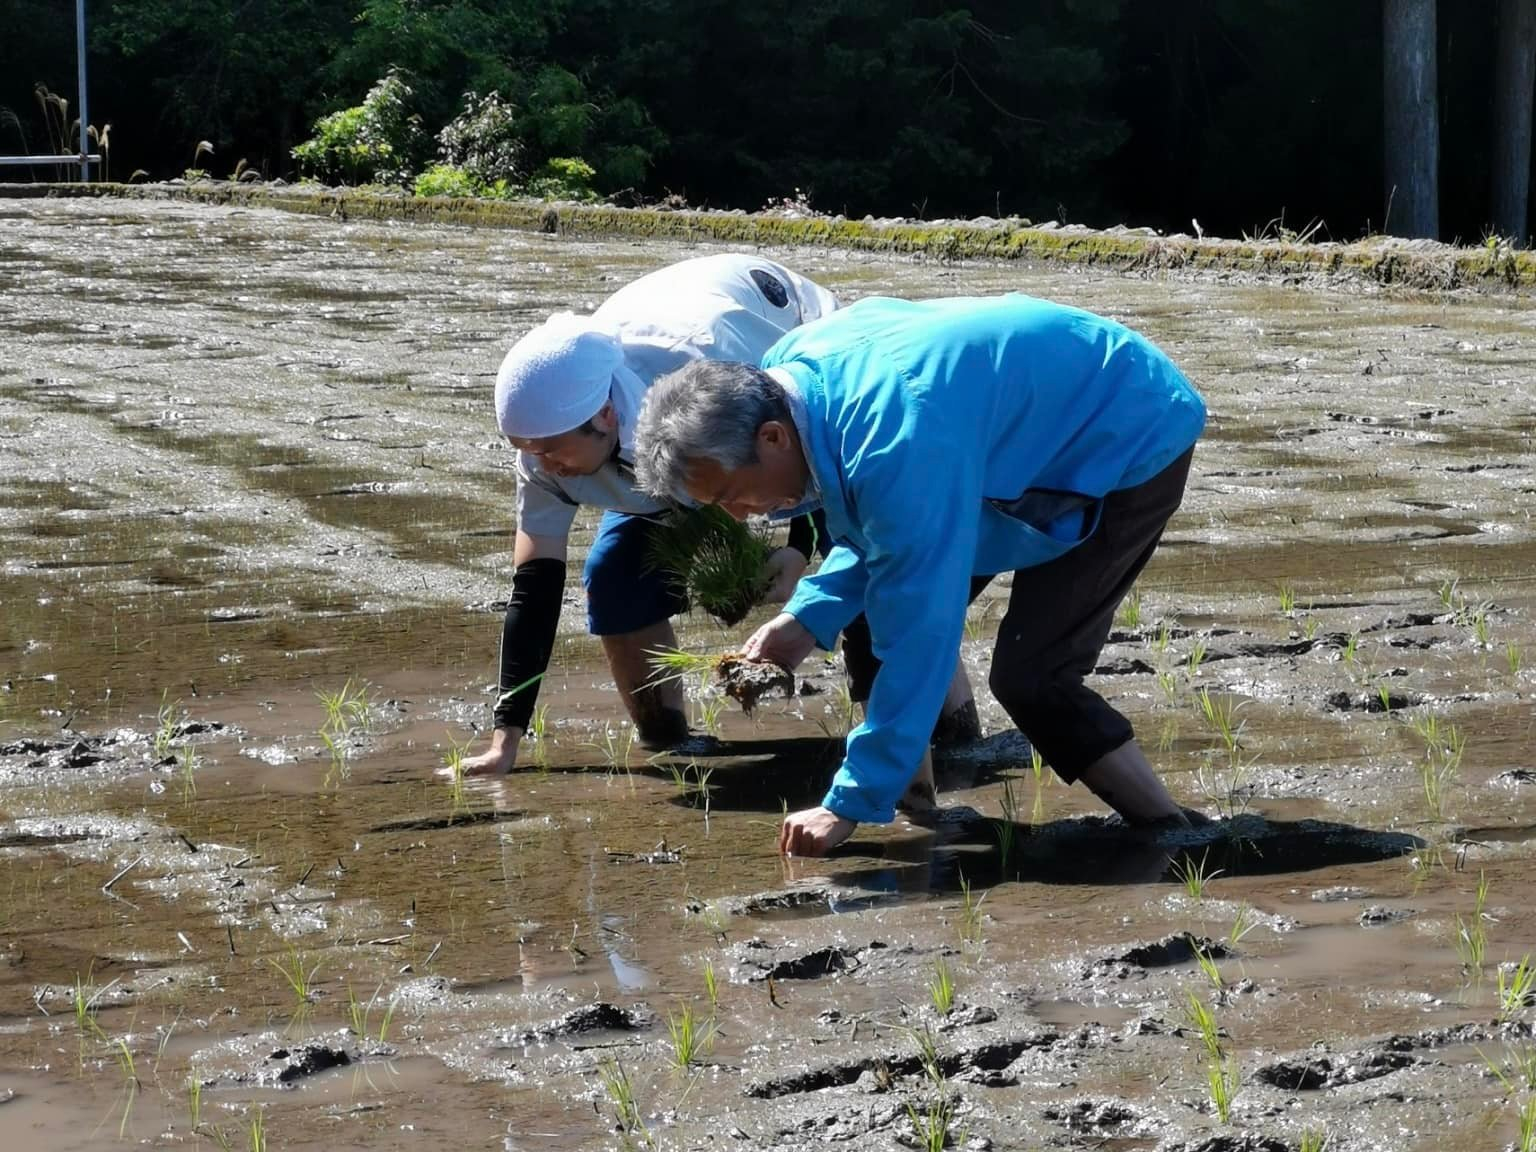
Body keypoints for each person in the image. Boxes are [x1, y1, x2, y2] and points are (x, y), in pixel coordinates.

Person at [631, 293, 1207, 855]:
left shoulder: (894, 442)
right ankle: (922, 810)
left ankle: (1174, 836)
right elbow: (874, 529)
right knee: (873, 624)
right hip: (1007, 431)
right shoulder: (791, 378)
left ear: (773, 437)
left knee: (1032, 676)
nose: (738, 514)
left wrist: (847, 804)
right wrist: (805, 619)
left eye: (732, 493)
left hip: (1127, 427)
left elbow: (920, 631)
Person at [463, 254, 978, 776]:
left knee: (880, 574)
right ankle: (670, 744)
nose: (541, 464)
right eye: (527, 450)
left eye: (551, 450)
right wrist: (506, 737)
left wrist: (798, 549)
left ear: (604, 413)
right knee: (615, 579)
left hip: (792, 368)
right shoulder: (547, 438)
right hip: (684, 448)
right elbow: (534, 588)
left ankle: (952, 744)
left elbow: (794, 441)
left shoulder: (707, 372)